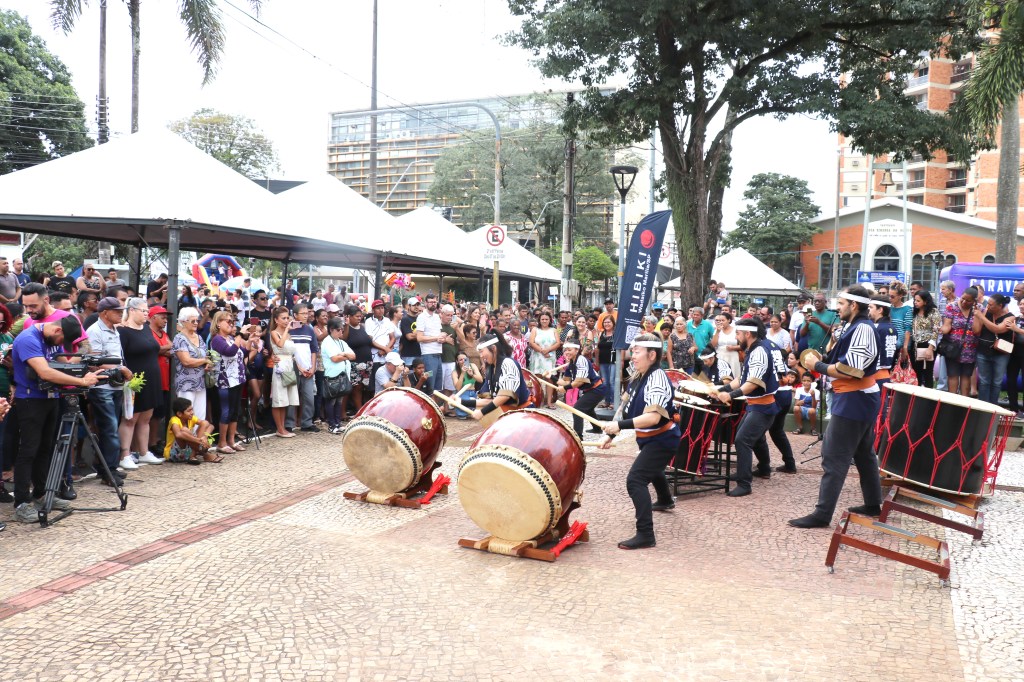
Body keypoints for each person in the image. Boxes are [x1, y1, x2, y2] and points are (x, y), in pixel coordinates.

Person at [790, 285, 884, 528]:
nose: (837, 308)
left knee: (833, 457)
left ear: (854, 305)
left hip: (855, 399)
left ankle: (822, 515)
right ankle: (873, 504)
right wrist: (823, 362)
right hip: (856, 399)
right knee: (864, 455)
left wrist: (817, 366)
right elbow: (844, 363)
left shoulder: (862, 328)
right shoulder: (855, 326)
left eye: (841, 303)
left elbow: (852, 370)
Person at [597, 333, 680, 550]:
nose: (632, 356)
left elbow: (654, 417)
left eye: (636, 351)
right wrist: (610, 434)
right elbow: (624, 409)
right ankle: (665, 499)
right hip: (650, 438)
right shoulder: (637, 375)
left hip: (662, 439)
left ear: (652, 355)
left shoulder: (657, 378)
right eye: (632, 351)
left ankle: (646, 534)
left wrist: (620, 427)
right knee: (652, 468)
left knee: (635, 481)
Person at [10, 316, 92, 523]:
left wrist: (89, 364)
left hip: (51, 397)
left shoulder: (51, 339)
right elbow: (46, 372)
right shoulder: (29, 339)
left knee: (46, 448)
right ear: (57, 331)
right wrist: (81, 381)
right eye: (61, 341)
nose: (59, 346)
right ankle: (21, 502)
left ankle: (40, 493)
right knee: (29, 450)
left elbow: (63, 365)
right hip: (30, 399)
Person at [714, 317, 780, 497]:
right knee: (755, 438)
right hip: (756, 406)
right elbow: (741, 379)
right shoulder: (752, 349)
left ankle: (744, 484)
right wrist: (721, 389)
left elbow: (752, 384)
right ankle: (764, 469)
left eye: (738, 333)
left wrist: (729, 395)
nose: (736, 337)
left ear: (747, 334)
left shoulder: (759, 351)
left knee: (742, 440)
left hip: (763, 407)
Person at [116, 298, 164, 468]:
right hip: (133, 380)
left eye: (147, 311)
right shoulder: (123, 331)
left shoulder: (145, 328)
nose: (146, 314)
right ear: (132, 310)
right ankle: (125, 454)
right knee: (130, 417)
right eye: (143, 311)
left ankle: (143, 452)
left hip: (151, 378)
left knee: (146, 417)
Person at [210, 311, 253, 453]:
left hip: (237, 379)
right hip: (225, 380)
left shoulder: (230, 338)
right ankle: (221, 443)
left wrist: (250, 341)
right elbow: (230, 352)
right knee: (226, 411)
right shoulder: (217, 339)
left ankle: (231, 441)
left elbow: (242, 353)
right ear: (218, 323)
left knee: (235, 411)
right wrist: (240, 335)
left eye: (232, 322)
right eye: (227, 321)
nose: (231, 324)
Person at [469, 333, 532, 420]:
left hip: (523, 415)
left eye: (482, 351)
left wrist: (482, 412)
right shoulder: (491, 368)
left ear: (493, 349)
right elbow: (490, 400)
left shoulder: (508, 363)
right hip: (508, 415)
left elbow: (505, 396)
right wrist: (461, 402)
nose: (481, 356)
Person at [554, 339, 604, 438]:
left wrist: (565, 388)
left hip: (597, 388)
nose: (566, 352)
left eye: (569, 350)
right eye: (565, 350)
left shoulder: (581, 360)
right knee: (588, 409)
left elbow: (579, 382)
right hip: (590, 389)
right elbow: (566, 382)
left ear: (577, 350)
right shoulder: (571, 363)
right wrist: (551, 377)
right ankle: (597, 428)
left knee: (578, 408)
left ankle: (578, 435)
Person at [939, 286, 981, 397]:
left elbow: (977, 331)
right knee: (952, 374)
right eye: (962, 298)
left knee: (966, 375)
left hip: (970, 349)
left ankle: (964, 403)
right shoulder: (951, 307)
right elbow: (947, 325)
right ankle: (952, 402)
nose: (963, 301)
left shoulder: (980, 309)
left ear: (974, 301)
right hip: (953, 348)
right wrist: (942, 330)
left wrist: (977, 313)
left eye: (968, 300)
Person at [974, 293, 1015, 405]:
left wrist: (981, 317)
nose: (988, 306)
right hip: (983, 351)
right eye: (988, 304)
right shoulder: (985, 312)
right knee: (984, 381)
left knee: (996, 382)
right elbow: (976, 330)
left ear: (1000, 306)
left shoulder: (1010, 317)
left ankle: (993, 407)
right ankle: (982, 407)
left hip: (1001, 354)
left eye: (991, 305)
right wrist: (977, 316)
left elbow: (998, 329)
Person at [173, 307, 212, 421]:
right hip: (186, 383)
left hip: (200, 382)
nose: (196, 323)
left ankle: (198, 439)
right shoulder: (179, 338)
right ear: (183, 322)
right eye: (193, 321)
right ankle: (186, 439)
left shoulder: (199, 337)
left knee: (200, 416)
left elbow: (206, 355)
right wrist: (204, 361)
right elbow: (186, 361)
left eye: (197, 320)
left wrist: (208, 364)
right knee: (186, 417)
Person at [286, 302, 320, 433]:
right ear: (295, 315)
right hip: (294, 368)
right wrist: (299, 367)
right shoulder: (289, 330)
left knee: (309, 396)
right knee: (292, 397)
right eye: (303, 313)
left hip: (308, 368)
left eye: (307, 313)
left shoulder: (309, 329)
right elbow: (289, 351)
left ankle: (307, 422)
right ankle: (289, 423)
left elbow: (314, 349)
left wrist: (312, 367)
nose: (307, 316)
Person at [320, 317, 355, 434]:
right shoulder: (327, 341)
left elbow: (353, 355)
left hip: (343, 374)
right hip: (332, 375)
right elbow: (334, 358)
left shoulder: (341, 342)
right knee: (332, 401)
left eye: (342, 329)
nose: (341, 332)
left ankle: (338, 423)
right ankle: (331, 424)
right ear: (331, 329)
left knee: (339, 400)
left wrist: (343, 354)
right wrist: (346, 356)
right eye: (339, 329)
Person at [269, 306, 299, 438]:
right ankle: (279, 428)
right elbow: (280, 345)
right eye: (283, 318)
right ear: (276, 320)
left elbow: (290, 350)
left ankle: (282, 427)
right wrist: (287, 330)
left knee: (286, 399)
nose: (287, 320)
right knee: (279, 397)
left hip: (289, 364)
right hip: (280, 366)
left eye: (288, 318)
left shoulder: (289, 334)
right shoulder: (274, 333)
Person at [340, 304, 373, 415]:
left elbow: (369, 341)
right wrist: (347, 325)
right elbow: (344, 339)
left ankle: (357, 410)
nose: (359, 318)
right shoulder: (346, 327)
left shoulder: (362, 327)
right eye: (357, 316)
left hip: (366, 362)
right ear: (349, 316)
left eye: (360, 316)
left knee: (360, 388)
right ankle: (351, 412)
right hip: (354, 363)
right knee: (351, 389)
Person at [164, 397, 215, 464]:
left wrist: (204, 438)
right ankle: (204, 453)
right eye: (189, 411)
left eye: (192, 410)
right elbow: (178, 434)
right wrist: (198, 441)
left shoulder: (190, 418)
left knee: (204, 423)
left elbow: (209, 425)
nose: (192, 413)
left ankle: (194, 455)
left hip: (189, 450)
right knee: (184, 430)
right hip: (174, 454)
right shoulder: (174, 420)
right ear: (179, 414)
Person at [415, 293, 448, 395]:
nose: (433, 304)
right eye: (431, 302)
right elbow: (419, 338)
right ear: (425, 303)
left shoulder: (437, 317)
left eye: (435, 302)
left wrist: (442, 338)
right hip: (428, 355)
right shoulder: (421, 317)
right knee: (429, 385)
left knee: (438, 387)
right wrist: (436, 338)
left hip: (438, 354)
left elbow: (437, 335)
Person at [910, 291, 942, 388]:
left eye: (918, 300)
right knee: (917, 371)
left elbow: (936, 330)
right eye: (915, 300)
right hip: (915, 344)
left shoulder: (933, 312)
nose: (915, 302)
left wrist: (930, 348)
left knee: (928, 371)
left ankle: (928, 398)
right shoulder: (915, 311)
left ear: (925, 301)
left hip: (928, 344)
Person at [769, 368, 798, 473]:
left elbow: (783, 379)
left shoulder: (766, 352)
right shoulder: (776, 353)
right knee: (777, 431)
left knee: (756, 433)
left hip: (775, 394)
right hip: (785, 394)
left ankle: (763, 467)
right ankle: (790, 464)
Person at [528, 311, 559, 407]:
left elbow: (558, 343)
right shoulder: (535, 330)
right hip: (538, 357)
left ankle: (549, 401)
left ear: (550, 320)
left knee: (549, 379)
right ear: (539, 320)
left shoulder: (554, 330)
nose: (544, 321)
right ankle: (539, 399)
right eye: (542, 319)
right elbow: (531, 342)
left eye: (546, 319)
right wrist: (542, 351)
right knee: (538, 379)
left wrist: (548, 350)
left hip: (550, 357)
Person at [867, 296, 898, 388]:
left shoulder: (875, 327)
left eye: (871, 307)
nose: (868, 310)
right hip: (886, 375)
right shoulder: (892, 327)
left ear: (880, 310)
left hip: (874, 376)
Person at [366, 298, 397, 382]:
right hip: (374, 356)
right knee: (373, 382)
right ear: (373, 310)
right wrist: (385, 349)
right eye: (378, 308)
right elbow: (370, 340)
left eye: (382, 308)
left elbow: (393, 338)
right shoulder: (368, 321)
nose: (381, 310)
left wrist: (385, 350)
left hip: (386, 356)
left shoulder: (387, 321)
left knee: (386, 380)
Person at [887, 281, 914, 361]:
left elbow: (908, 329)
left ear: (900, 296)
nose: (890, 299)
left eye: (892, 297)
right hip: (889, 344)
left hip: (901, 345)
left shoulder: (907, 309)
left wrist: (905, 348)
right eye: (889, 296)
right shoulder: (888, 308)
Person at [711, 311, 741, 379]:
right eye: (719, 320)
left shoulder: (736, 330)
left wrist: (734, 348)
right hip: (721, 356)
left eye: (723, 320)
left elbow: (742, 345)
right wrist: (717, 332)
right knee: (722, 376)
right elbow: (713, 345)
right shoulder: (717, 330)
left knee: (734, 375)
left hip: (733, 356)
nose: (721, 322)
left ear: (729, 320)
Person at [595, 316, 616, 407]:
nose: (607, 324)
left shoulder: (616, 334)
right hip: (603, 361)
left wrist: (621, 360)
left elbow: (621, 349)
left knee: (612, 381)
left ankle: (613, 402)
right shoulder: (601, 334)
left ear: (613, 323)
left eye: (609, 322)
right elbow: (597, 348)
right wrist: (597, 361)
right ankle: (606, 401)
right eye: (605, 322)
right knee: (605, 382)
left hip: (613, 361)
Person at [399, 296, 422, 366]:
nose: (416, 307)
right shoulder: (405, 319)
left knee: (420, 376)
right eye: (414, 305)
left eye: (418, 305)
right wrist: (422, 335)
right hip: (408, 354)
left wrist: (416, 334)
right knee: (409, 375)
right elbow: (409, 337)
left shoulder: (420, 318)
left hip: (420, 353)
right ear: (409, 306)